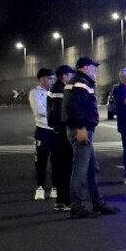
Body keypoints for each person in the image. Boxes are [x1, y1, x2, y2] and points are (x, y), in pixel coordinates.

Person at [64, 57, 118, 218]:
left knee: (90, 167)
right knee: (81, 170)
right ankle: (77, 205)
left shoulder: (78, 81)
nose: (96, 71)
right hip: (81, 129)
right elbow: (75, 107)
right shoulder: (81, 82)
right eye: (94, 68)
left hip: (82, 129)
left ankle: (96, 202)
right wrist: (81, 128)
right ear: (86, 68)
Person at [47, 65, 75, 211]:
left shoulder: (55, 90)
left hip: (57, 132)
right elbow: (60, 114)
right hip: (63, 133)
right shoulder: (60, 91)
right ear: (64, 76)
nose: (73, 78)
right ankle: (65, 201)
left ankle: (61, 201)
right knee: (65, 168)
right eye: (71, 75)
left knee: (60, 168)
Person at [28, 68, 56, 200]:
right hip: (43, 130)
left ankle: (55, 188)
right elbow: (39, 111)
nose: (52, 81)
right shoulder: (34, 93)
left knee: (57, 161)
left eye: (52, 78)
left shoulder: (55, 91)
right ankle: (40, 188)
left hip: (56, 130)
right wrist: (55, 112)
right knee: (41, 161)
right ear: (42, 79)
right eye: (50, 78)